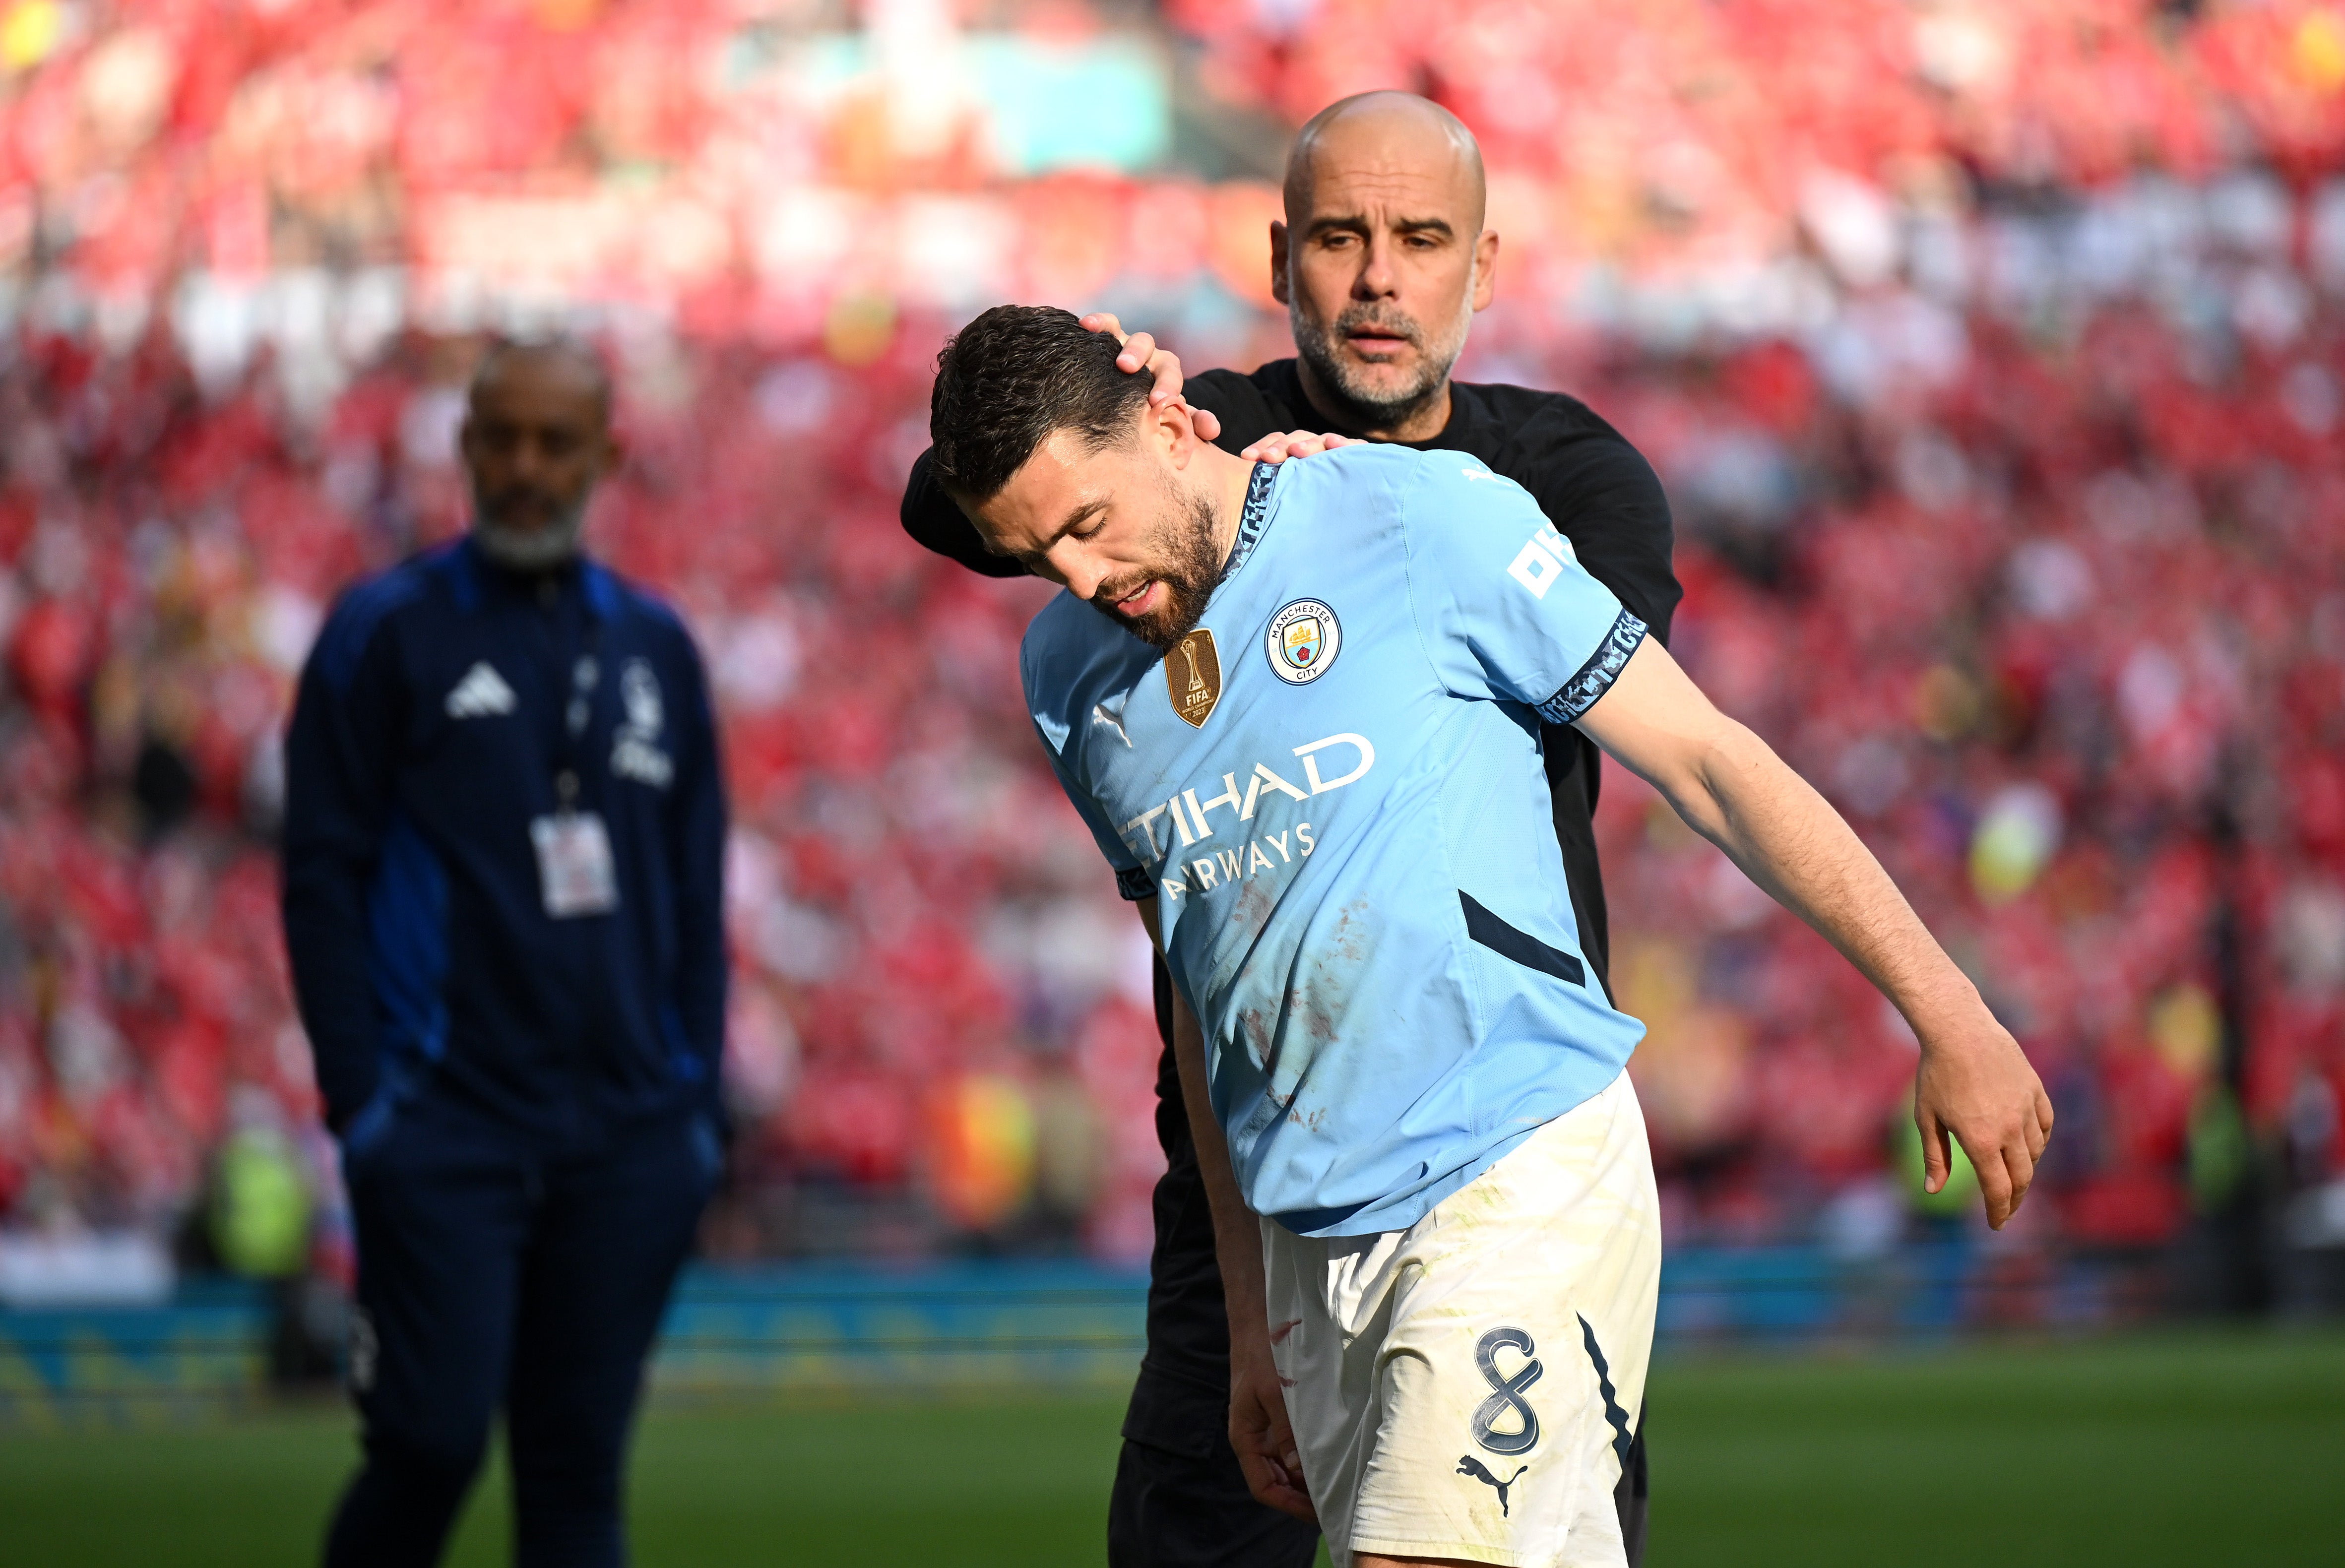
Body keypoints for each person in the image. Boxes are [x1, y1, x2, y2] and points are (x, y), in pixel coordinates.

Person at [925, 303, 2054, 1568]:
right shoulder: (1068, 677)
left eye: (1087, 524)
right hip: (1311, 1250)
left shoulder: (1413, 520)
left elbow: (1710, 761)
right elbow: (1201, 986)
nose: (1081, 578)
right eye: (1038, 558)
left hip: (1513, 1168)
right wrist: (1249, 1316)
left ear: (1164, 418)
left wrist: (1951, 1013)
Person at [901, 93, 1680, 1566]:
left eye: (1421, 238)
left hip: (1488, 1130)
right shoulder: (1201, 449)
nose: (1379, 276)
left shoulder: (1561, 476)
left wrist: (1351, 520)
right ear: (1280, 257)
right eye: (1339, 237)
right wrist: (1121, 390)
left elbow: (1555, 686)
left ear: (1485, 266)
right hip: (1243, 1179)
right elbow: (955, 503)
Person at [281, 338, 728, 1568]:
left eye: (555, 443)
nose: (526, 468)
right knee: (425, 1445)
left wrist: (695, 1109)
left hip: (631, 1138)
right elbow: (318, 877)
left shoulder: (657, 649)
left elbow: (695, 893)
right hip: (445, 1128)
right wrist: (362, 1104)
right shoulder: (383, 635)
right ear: (467, 446)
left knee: (576, 1478)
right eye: (503, 439)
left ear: (605, 457)